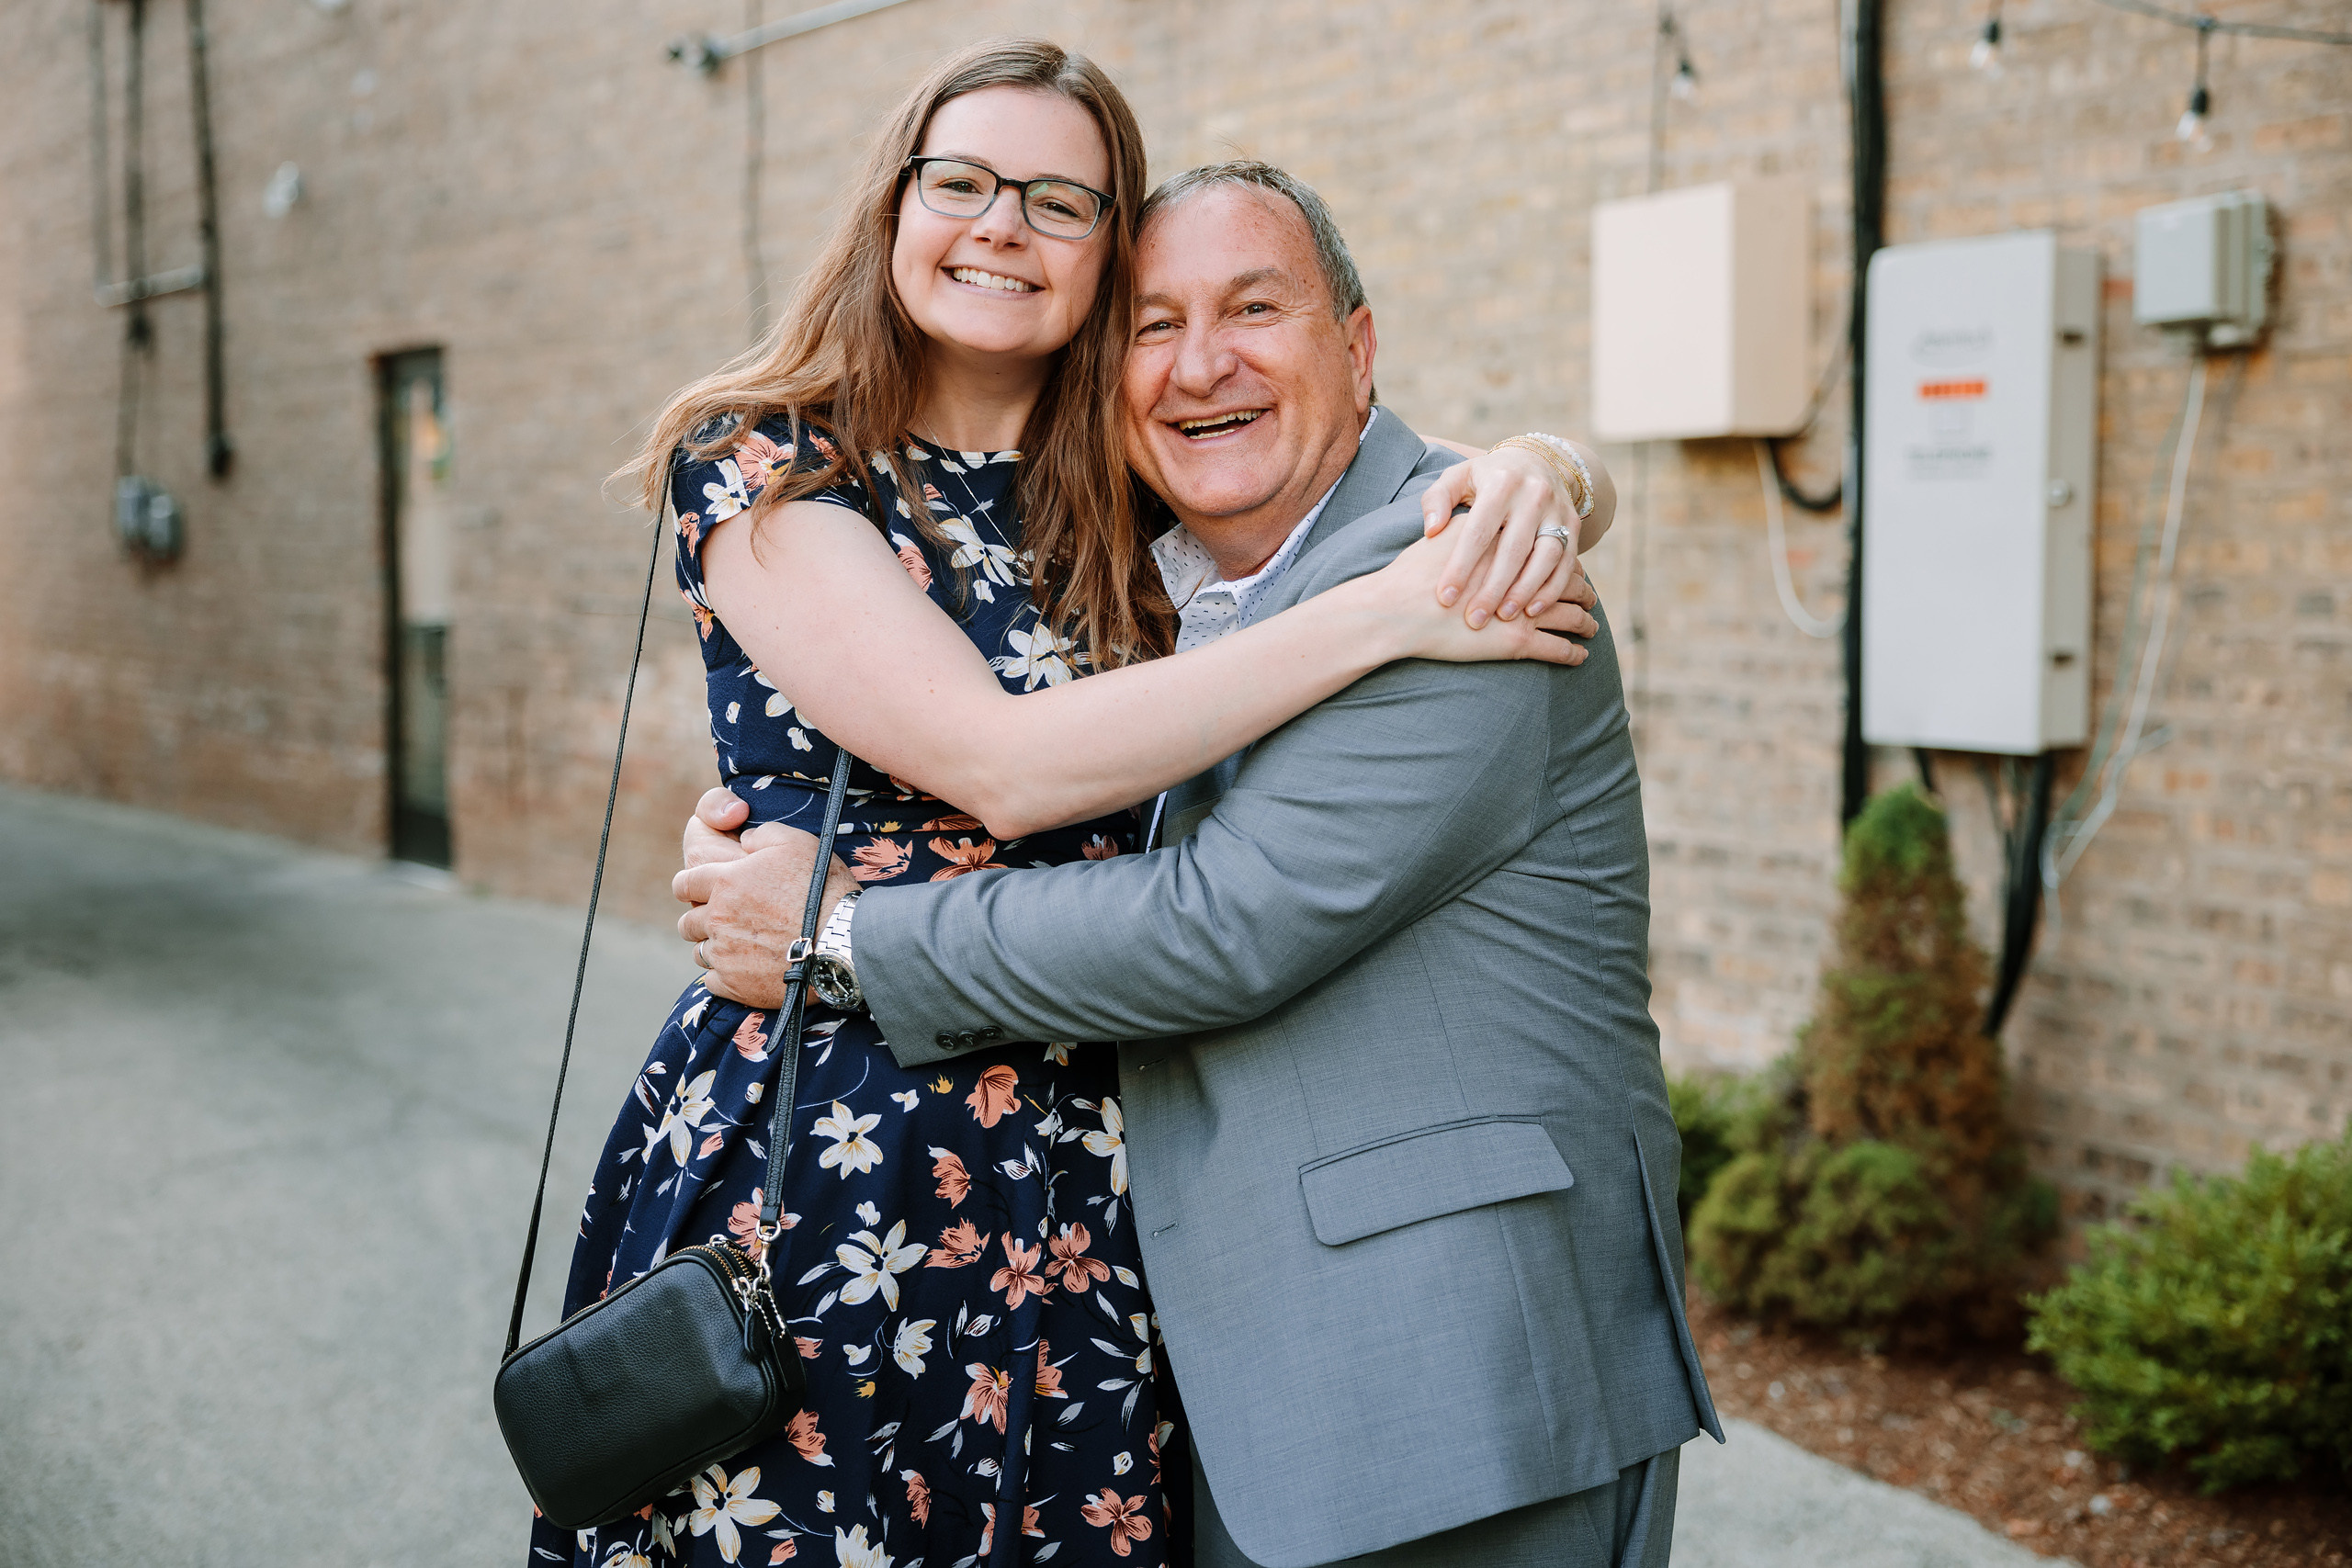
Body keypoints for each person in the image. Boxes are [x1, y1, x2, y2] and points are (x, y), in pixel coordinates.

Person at [539, 39, 1612, 1568]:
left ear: (1106, 255)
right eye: (962, 182)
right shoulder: (774, 463)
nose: (1000, 227)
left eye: (1061, 200)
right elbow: (1004, 764)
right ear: (893, 201)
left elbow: (1345, 470)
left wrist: (1547, 472)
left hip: (1109, 1168)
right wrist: (1394, 609)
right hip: (850, 1145)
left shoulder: (1120, 478)